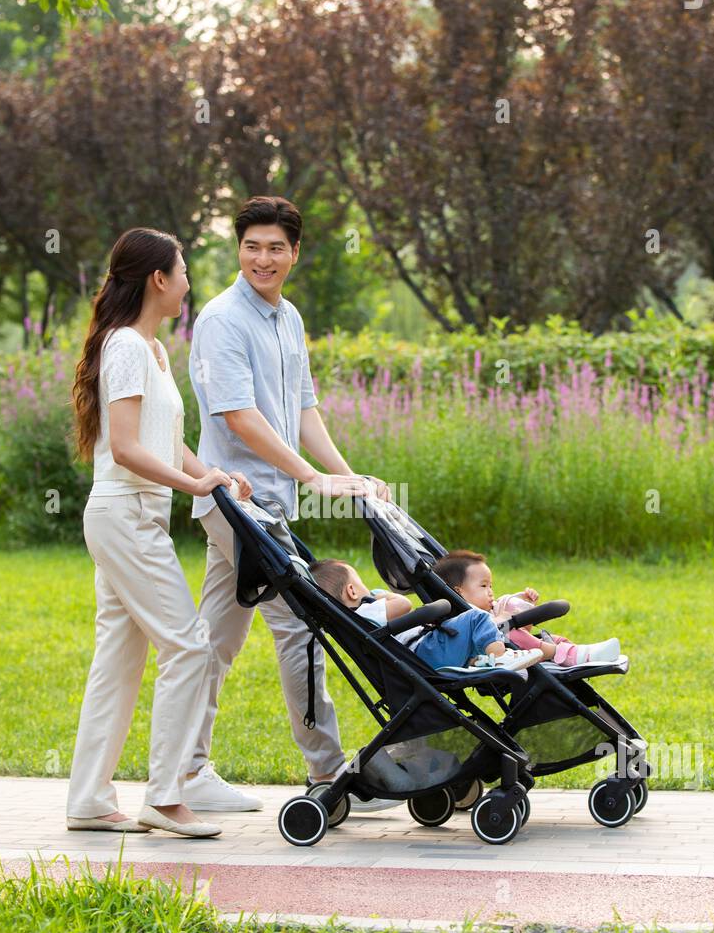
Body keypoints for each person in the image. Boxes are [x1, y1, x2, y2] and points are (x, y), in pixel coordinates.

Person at [183, 195, 399, 813]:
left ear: (295, 252)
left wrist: (345, 474)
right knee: (304, 625)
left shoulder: (289, 318)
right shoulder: (223, 319)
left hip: (267, 505)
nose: (263, 258)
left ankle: (185, 771)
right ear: (238, 249)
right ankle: (328, 776)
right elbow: (238, 417)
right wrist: (312, 477)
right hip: (234, 504)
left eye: (276, 247)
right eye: (252, 246)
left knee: (214, 643)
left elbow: (303, 409)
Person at [67, 227, 252, 836]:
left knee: (118, 660)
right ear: (158, 280)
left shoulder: (152, 350)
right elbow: (122, 449)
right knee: (190, 645)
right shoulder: (123, 347)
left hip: (135, 515)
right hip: (124, 514)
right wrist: (190, 486)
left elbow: (166, 441)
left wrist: (214, 476)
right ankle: (165, 796)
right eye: (183, 271)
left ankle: (89, 800)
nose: (188, 283)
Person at [308, 560, 543, 672]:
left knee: (464, 628)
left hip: (421, 656)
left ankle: (482, 659)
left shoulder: (355, 621)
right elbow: (403, 605)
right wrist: (381, 595)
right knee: (475, 618)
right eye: (361, 583)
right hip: (425, 653)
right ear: (351, 591)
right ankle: (500, 658)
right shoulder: (366, 610)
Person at [434, 551, 622, 665]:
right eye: (484, 586)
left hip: (510, 648)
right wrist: (507, 621)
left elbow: (525, 630)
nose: (491, 592)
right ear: (459, 592)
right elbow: (503, 631)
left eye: (491, 586)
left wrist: (523, 605)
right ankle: (570, 656)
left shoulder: (490, 609)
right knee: (513, 634)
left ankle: (577, 651)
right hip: (484, 654)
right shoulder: (464, 618)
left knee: (541, 636)